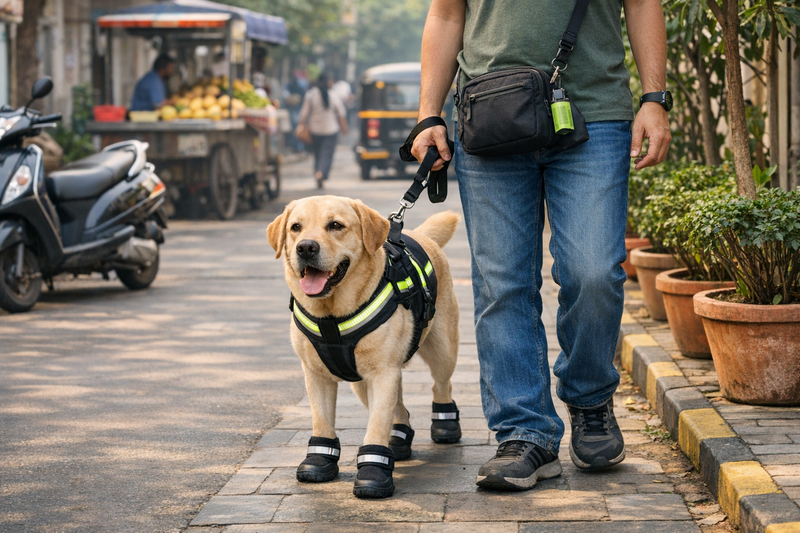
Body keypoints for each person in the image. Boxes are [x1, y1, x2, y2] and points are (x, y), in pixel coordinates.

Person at [411, 0, 671, 491]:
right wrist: (429, 115)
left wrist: (654, 98)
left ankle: (590, 398)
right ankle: (524, 431)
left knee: (594, 272)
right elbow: (446, 15)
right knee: (503, 285)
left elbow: (641, 2)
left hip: (593, 113)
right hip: (489, 114)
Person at [297, 73, 348, 188]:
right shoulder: (333, 95)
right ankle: (321, 173)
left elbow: (304, 113)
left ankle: (318, 172)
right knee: (326, 154)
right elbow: (341, 114)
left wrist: (300, 125)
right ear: (328, 82)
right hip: (330, 130)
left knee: (318, 154)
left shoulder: (311, 95)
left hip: (315, 130)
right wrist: (344, 128)